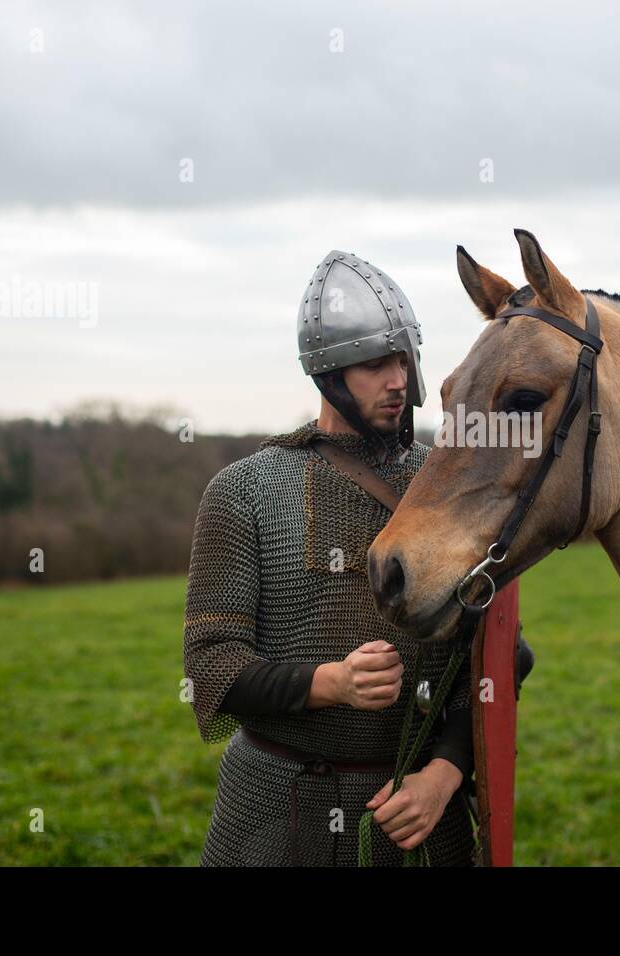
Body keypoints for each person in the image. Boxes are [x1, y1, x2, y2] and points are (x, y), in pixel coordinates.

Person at [183, 250, 475, 866]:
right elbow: (210, 667)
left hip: (413, 814)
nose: (397, 379)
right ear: (329, 374)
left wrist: (442, 778)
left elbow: (500, 660)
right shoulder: (245, 492)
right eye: (374, 364)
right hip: (276, 811)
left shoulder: (447, 489)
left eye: (402, 358)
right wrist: (331, 683)